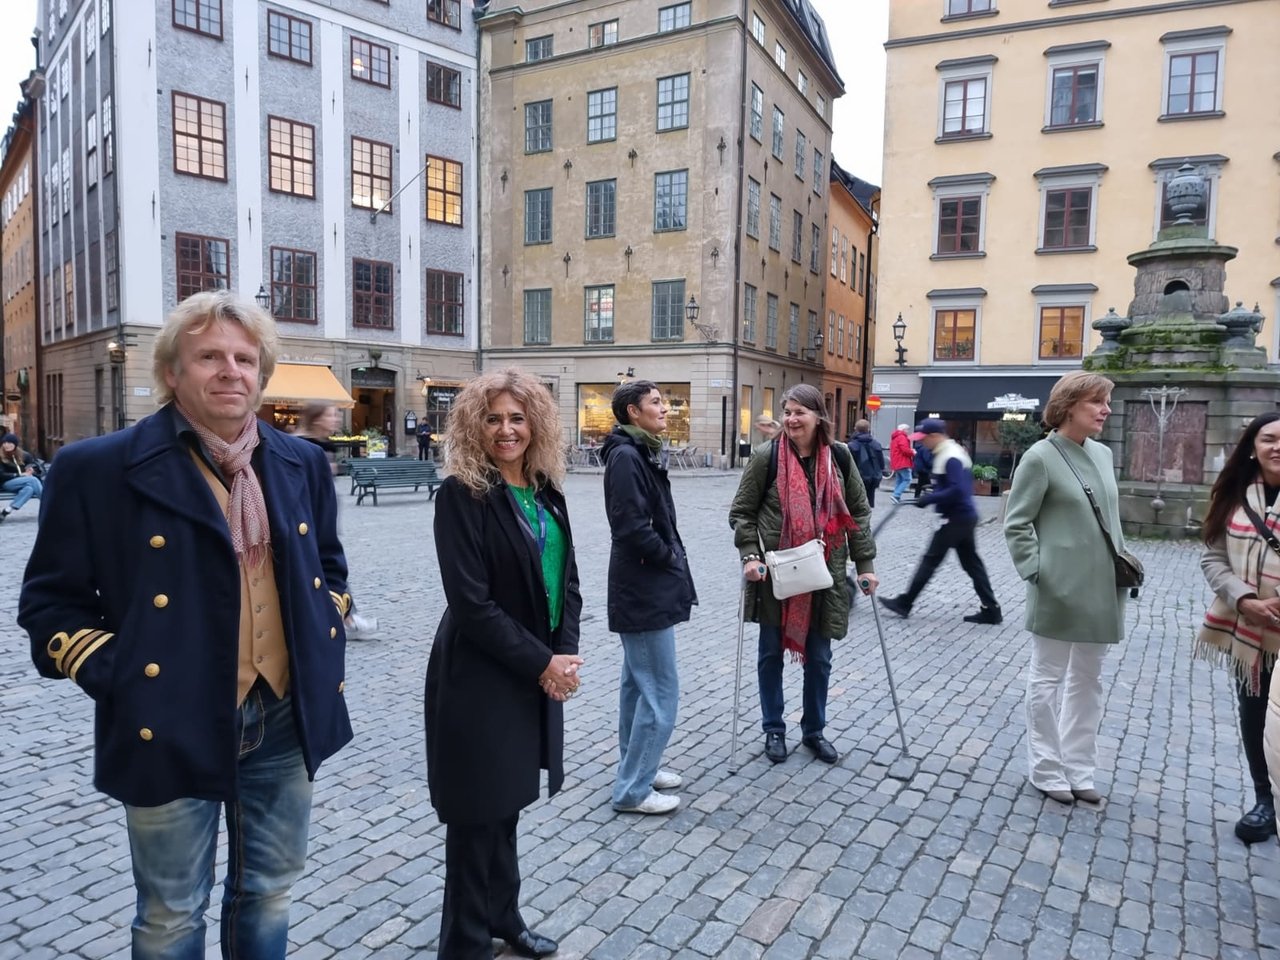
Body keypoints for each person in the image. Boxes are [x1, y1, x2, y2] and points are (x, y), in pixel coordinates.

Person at [19, 290, 353, 958]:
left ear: (262, 375)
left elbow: (329, 571)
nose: (231, 371)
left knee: (270, 891)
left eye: (245, 359)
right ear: (172, 372)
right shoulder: (99, 468)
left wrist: (323, 633)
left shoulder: (300, 462)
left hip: (284, 715)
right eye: (209, 357)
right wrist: (124, 674)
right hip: (166, 716)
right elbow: (51, 603)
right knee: (171, 913)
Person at [425, 367, 583, 960]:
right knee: (476, 814)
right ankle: (464, 944)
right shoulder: (461, 495)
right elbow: (472, 604)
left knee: (508, 803)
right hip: (480, 675)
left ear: (535, 424)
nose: (505, 430)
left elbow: (568, 582)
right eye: (492, 419)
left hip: (530, 670)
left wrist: (563, 655)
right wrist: (543, 663)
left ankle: (504, 917)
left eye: (517, 418)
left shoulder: (545, 492)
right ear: (474, 426)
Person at [729, 384, 878, 764]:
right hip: (776, 573)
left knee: (820, 658)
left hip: (825, 573)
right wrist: (750, 555)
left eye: (800, 412)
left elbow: (858, 512)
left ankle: (814, 731)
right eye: (788, 412)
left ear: (818, 416)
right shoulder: (766, 457)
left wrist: (865, 565)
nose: (792, 419)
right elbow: (743, 512)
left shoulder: (839, 457)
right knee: (770, 655)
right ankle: (774, 729)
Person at [1002, 371, 1124, 805]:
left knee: (1088, 680)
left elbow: (1111, 520)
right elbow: (1017, 523)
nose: (1106, 409)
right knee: (1047, 680)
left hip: (1103, 587)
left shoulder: (1104, 454)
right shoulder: (1040, 457)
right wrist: (1039, 572)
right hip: (1058, 588)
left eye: (1106, 401)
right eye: (1097, 401)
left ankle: (1079, 768)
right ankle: (1046, 768)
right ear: (1069, 406)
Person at [602, 380, 697, 815]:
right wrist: (668, 557)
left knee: (636, 689)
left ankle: (639, 768)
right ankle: (633, 791)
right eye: (656, 402)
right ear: (633, 412)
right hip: (643, 588)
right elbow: (631, 526)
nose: (665, 408)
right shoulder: (627, 456)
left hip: (644, 586)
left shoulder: (639, 451)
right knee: (660, 691)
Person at [1196, 412, 1280, 841]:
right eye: (1269, 439)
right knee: (1256, 715)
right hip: (1250, 630)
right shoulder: (1234, 495)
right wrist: (1245, 599)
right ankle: (1266, 800)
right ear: (1252, 447)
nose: (1278, 447)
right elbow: (1213, 557)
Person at [879, 418, 1002, 625]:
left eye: (924, 438)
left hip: (955, 519)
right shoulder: (949, 452)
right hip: (963, 517)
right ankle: (992, 610)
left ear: (934, 436)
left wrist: (930, 498)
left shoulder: (950, 456)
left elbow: (958, 490)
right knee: (972, 565)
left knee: (930, 560)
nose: (921, 442)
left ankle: (905, 602)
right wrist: (932, 495)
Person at [293, 403, 380, 642]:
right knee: (325, 567)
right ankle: (348, 619)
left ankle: (346, 618)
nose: (336, 420)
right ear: (316, 419)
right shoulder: (301, 445)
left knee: (327, 566)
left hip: (323, 520)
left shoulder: (323, 445)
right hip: (306, 521)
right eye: (331, 415)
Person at [0, 432, 42, 521]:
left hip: (22, 482)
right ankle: (48, 504)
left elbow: (35, 466)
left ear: (15, 444)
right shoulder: (0, 456)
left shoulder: (24, 455)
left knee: (29, 489)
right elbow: (1, 475)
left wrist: (31, 469)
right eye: (4, 443)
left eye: (9, 443)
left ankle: (7, 510)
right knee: (32, 480)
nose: (6, 445)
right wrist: (19, 475)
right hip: (6, 482)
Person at [848, 419, 886, 508]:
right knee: (869, 501)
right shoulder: (876, 444)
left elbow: (848, 464)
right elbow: (881, 463)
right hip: (873, 477)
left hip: (857, 477)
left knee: (856, 503)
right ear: (868, 429)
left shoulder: (851, 445)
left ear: (855, 429)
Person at [889, 424, 914, 503]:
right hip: (903, 462)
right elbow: (905, 450)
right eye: (907, 429)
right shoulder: (902, 437)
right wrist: (913, 452)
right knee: (907, 479)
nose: (908, 431)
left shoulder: (895, 437)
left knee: (899, 480)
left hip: (896, 462)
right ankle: (896, 495)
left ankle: (896, 497)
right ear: (903, 430)